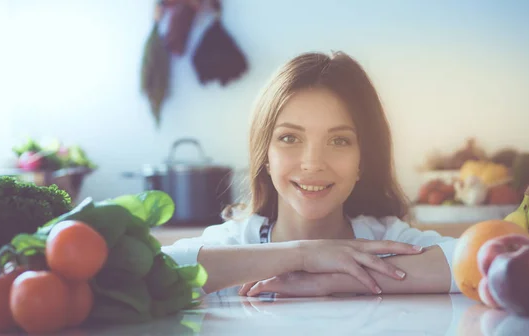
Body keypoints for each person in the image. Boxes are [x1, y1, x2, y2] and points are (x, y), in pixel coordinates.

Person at [162, 51, 461, 298]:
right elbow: (145, 273)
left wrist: (334, 279)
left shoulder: (385, 240)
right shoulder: (232, 243)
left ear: (364, 159)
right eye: (290, 138)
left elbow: (479, 260)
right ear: (265, 155)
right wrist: (302, 255)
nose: (312, 163)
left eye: (339, 140)